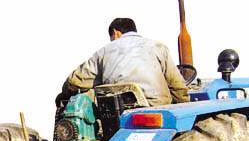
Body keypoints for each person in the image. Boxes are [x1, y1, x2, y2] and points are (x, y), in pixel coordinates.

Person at [56, 18, 189, 107]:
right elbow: (177, 86)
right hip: (157, 109)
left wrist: (63, 96)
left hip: (118, 113)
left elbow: (76, 81)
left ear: (115, 33)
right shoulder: (158, 47)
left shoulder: (104, 52)